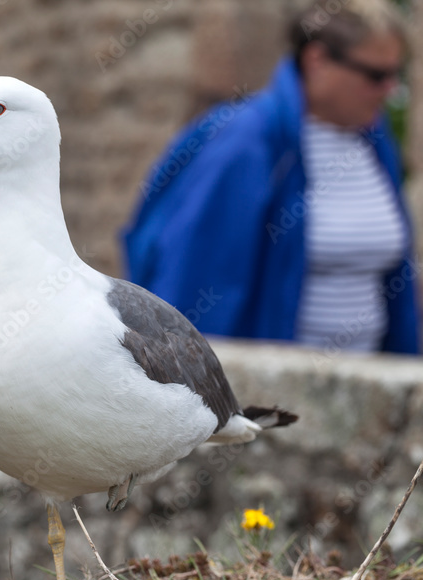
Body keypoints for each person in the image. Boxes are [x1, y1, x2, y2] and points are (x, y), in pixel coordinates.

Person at [123, 0, 419, 354]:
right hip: (278, 391)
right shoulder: (244, 141)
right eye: (376, 76)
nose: (389, 90)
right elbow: (194, 277)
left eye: (395, 76)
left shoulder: (375, 142)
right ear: (317, 60)